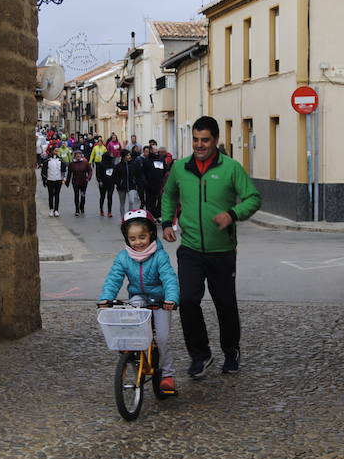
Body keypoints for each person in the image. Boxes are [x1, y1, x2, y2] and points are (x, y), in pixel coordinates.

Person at [160, 115, 262, 379]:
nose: (199, 145)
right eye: (195, 139)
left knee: (224, 303)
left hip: (222, 250)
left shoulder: (231, 168)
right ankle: (200, 354)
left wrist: (233, 214)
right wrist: (166, 222)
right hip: (191, 249)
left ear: (216, 140)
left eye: (205, 140)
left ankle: (231, 351)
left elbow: (253, 197)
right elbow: (169, 194)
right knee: (188, 300)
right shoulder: (181, 168)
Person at [98, 210, 180, 392]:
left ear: (151, 234)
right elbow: (114, 278)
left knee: (163, 338)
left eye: (142, 237)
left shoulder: (159, 256)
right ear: (127, 239)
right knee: (129, 331)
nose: (138, 243)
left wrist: (171, 299)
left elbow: (169, 278)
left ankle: (167, 375)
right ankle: (134, 358)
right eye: (133, 239)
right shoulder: (123, 257)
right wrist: (106, 298)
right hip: (138, 297)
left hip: (160, 300)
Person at [141, 146, 168, 222]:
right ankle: (152, 216)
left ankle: (158, 215)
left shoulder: (161, 159)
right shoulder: (147, 160)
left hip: (160, 184)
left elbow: (165, 170)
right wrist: (145, 182)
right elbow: (143, 172)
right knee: (151, 201)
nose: (156, 150)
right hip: (150, 184)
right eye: (154, 149)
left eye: (157, 148)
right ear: (151, 150)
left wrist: (165, 181)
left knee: (160, 200)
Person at [113, 149, 143, 216]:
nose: (129, 156)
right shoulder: (118, 166)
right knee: (122, 203)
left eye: (129, 155)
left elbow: (138, 175)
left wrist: (136, 182)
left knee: (131, 201)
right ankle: (123, 218)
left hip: (131, 186)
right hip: (121, 187)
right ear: (123, 157)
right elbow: (114, 176)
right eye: (128, 155)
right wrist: (119, 182)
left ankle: (129, 217)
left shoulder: (134, 165)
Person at [90, 136, 115, 217]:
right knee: (102, 197)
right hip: (103, 183)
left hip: (111, 183)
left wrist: (115, 181)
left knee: (110, 197)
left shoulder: (112, 164)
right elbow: (98, 174)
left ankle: (109, 211)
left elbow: (115, 174)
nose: (111, 158)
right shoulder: (101, 164)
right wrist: (99, 181)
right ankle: (101, 210)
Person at [65, 150, 93, 216]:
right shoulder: (72, 164)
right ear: (74, 156)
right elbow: (69, 174)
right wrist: (67, 182)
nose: (78, 156)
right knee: (76, 195)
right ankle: (77, 210)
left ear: (81, 155)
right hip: (75, 182)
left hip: (84, 182)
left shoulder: (85, 162)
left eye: (79, 154)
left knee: (83, 196)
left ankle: (82, 206)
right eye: (76, 155)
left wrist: (88, 177)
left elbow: (90, 170)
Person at [40, 146, 67, 217]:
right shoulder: (47, 160)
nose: (56, 152)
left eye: (57, 151)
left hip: (58, 180)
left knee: (57, 195)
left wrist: (63, 178)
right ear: (52, 151)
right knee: (51, 195)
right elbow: (43, 171)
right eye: (55, 151)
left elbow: (63, 170)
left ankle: (56, 210)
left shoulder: (60, 160)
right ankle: (51, 209)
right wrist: (44, 180)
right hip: (50, 180)